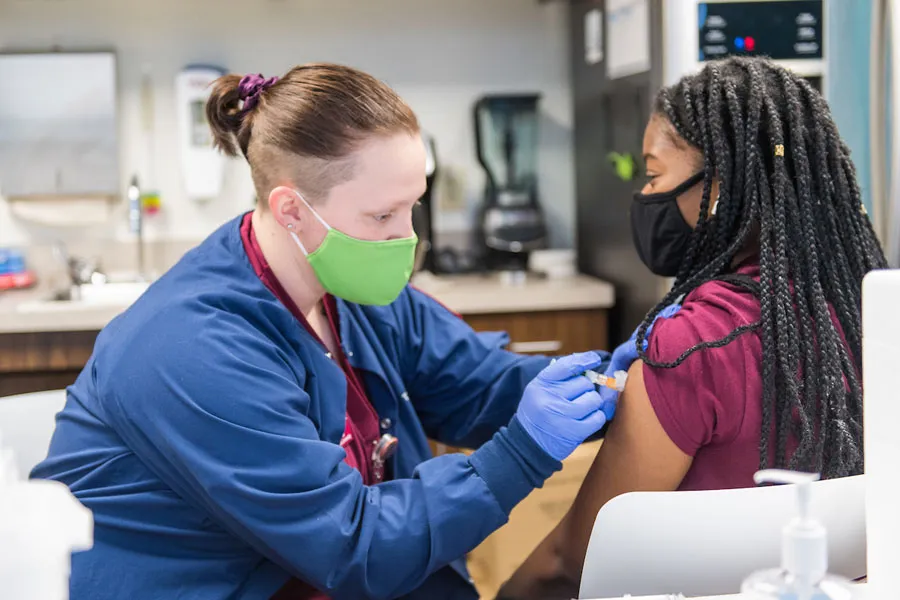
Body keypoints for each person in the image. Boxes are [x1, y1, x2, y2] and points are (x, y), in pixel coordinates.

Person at [29, 64, 639, 600]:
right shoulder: (192, 347)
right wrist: (521, 453)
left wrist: (617, 374)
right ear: (292, 209)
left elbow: (476, 386)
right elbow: (354, 548)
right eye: (381, 215)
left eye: (413, 207)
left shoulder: (349, 288)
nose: (406, 237)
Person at [497, 56, 887, 600]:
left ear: (720, 188)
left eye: (654, 175)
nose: (646, 196)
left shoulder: (690, 349)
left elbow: (575, 560)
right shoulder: (876, 320)